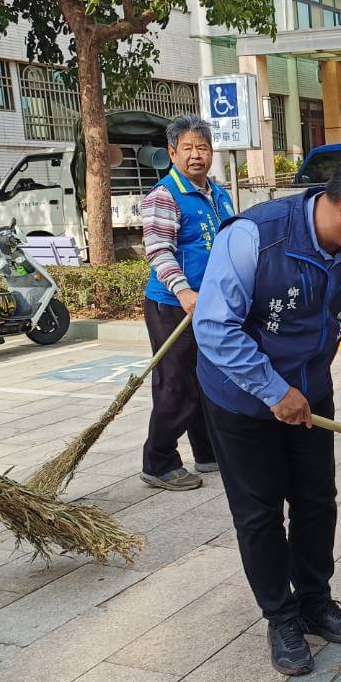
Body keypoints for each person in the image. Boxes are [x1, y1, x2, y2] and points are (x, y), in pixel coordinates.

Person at [195, 146, 341, 675]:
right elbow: (214, 328)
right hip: (241, 399)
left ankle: (315, 601)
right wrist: (271, 389)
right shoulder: (253, 238)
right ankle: (281, 616)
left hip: (310, 394)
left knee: (317, 501)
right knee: (260, 513)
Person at [140, 114, 235, 491]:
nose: (197, 155)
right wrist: (183, 291)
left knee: (208, 379)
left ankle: (207, 452)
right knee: (175, 384)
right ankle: (159, 461)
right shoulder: (164, 196)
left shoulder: (220, 194)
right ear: (172, 152)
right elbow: (159, 250)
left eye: (203, 148)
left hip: (211, 305)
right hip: (172, 305)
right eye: (188, 149)